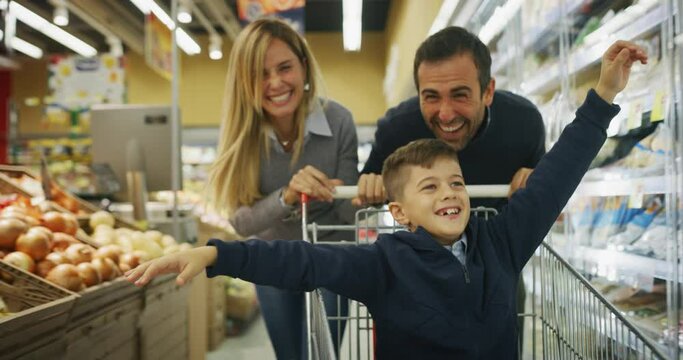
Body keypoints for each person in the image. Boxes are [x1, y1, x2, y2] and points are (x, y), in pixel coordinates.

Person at [127, 41, 646, 358]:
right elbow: (302, 261)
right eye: (430, 187)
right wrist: (218, 254)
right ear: (398, 213)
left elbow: (559, 173)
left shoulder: (502, 242)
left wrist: (602, 98)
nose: (449, 194)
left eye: (456, 183)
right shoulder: (384, 265)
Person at [204, 18, 357, 359]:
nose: (275, 83)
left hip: (330, 257)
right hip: (272, 260)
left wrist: (351, 192)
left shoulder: (339, 121)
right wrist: (288, 196)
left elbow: (347, 216)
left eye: (285, 67)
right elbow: (241, 222)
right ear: (246, 81)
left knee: (322, 354)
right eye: (260, 73)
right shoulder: (241, 136)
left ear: (303, 67)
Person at [355, 26, 545, 210]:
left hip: (502, 238)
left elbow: (547, 199)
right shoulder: (396, 129)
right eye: (431, 97)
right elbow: (359, 202)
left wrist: (537, 180)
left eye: (460, 95)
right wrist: (371, 187)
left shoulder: (524, 123)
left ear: (488, 92)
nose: (445, 114)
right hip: (422, 242)